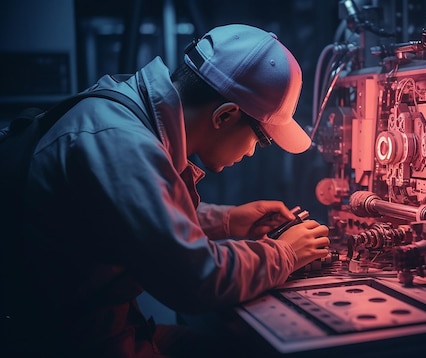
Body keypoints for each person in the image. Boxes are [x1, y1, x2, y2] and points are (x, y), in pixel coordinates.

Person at [1, 23, 330, 357]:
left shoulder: (125, 108)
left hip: (109, 330)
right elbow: (195, 279)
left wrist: (228, 221)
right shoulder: (121, 143)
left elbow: (138, 212)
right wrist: (284, 254)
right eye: (261, 139)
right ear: (225, 116)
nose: (251, 152)